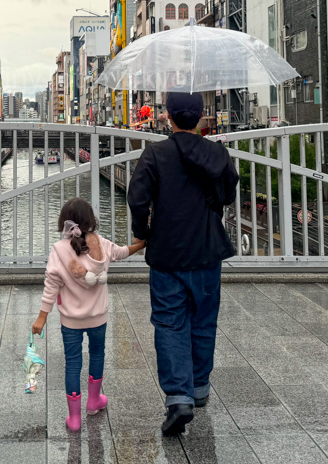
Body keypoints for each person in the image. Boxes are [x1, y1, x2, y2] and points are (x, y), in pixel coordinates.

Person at [127, 90, 239, 436]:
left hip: (168, 251)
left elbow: (137, 197)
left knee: (170, 321)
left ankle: (179, 397)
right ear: (201, 117)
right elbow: (229, 192)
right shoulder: (217, 153)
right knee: (204, 319)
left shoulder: (156, 153)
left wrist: (142, 231)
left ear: (168, 116)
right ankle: (200, 387)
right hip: (207, 248)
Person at [32, 198, 146, 432]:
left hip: (70, 320)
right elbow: (123, 252)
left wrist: (42, 316)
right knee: (97, 354)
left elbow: (51, 284)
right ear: (90, 220)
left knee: (73, 364)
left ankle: (74, 419)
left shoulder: (59, 250)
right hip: (98, 317)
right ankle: (94, 402)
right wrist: (141, 244)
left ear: (64, 222)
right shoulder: (101, 244)